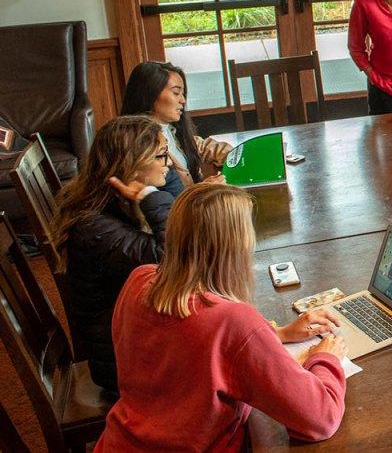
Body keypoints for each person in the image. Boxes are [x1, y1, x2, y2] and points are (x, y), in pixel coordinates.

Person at [96, 184, 348, 451]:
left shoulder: (139, 279)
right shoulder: (232, 321)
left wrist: (276, 334)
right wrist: (325, 359)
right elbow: (321, 418)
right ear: (236, 249)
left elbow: (188, 350)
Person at [50, 115, 176, 392]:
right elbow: (172, 258)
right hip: (123, 361)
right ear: (131, 162)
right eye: (160, 155)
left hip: (129, 336)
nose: (168, 163)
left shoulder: (109, 205)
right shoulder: (94, 227)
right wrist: (151, 196)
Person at [120, 60, 230, 196]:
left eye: (183, 94)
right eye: (176, 93)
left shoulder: (170, 130)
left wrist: (233, 155)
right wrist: (203, 190)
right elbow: (162, 204)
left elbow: (199, 146)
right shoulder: (138, 143)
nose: (183, 100)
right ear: (150, 94)